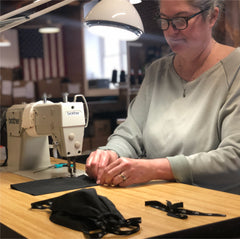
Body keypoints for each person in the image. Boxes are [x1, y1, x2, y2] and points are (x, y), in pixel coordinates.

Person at [86, 0, 240, 194]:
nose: (171, 30)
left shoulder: (236, 70)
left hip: (221, 211)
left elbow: (235, 159)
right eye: (164, 20)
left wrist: (155, 169)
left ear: (212, 16)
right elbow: (130, 133)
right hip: (161, 202)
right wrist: (110, 153)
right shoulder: (157, 71)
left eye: (181, 20)